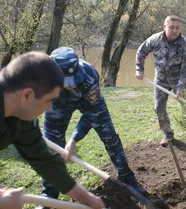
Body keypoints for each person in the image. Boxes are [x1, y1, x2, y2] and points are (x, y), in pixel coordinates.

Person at [37, 47, 145, 209]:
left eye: (73, 79)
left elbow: (91, 116)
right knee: (52, 145)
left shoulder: (89, 75)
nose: (71, 85)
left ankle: (127, 179)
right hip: (57, 104)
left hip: (88, 101)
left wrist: (73, 140)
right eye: (67, 81)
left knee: (109, 136)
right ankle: (49, 193)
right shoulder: (43, 80)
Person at [0, 52, 104, 209]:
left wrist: (84, 196)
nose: (49, 108)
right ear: (27, 95)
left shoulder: (19, 115)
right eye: (48, 101)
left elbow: (42, 157)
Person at [135, 15, 186, 147]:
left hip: (179, 79)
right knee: (159, 108)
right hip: (160, 80)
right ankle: (168, 133)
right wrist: (139, 69)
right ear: (164, 27)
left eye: (177, 28)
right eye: (171, 27)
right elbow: (141, 51)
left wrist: (180, 87)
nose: (174, 30)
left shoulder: (185, 44)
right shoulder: (155, 39)